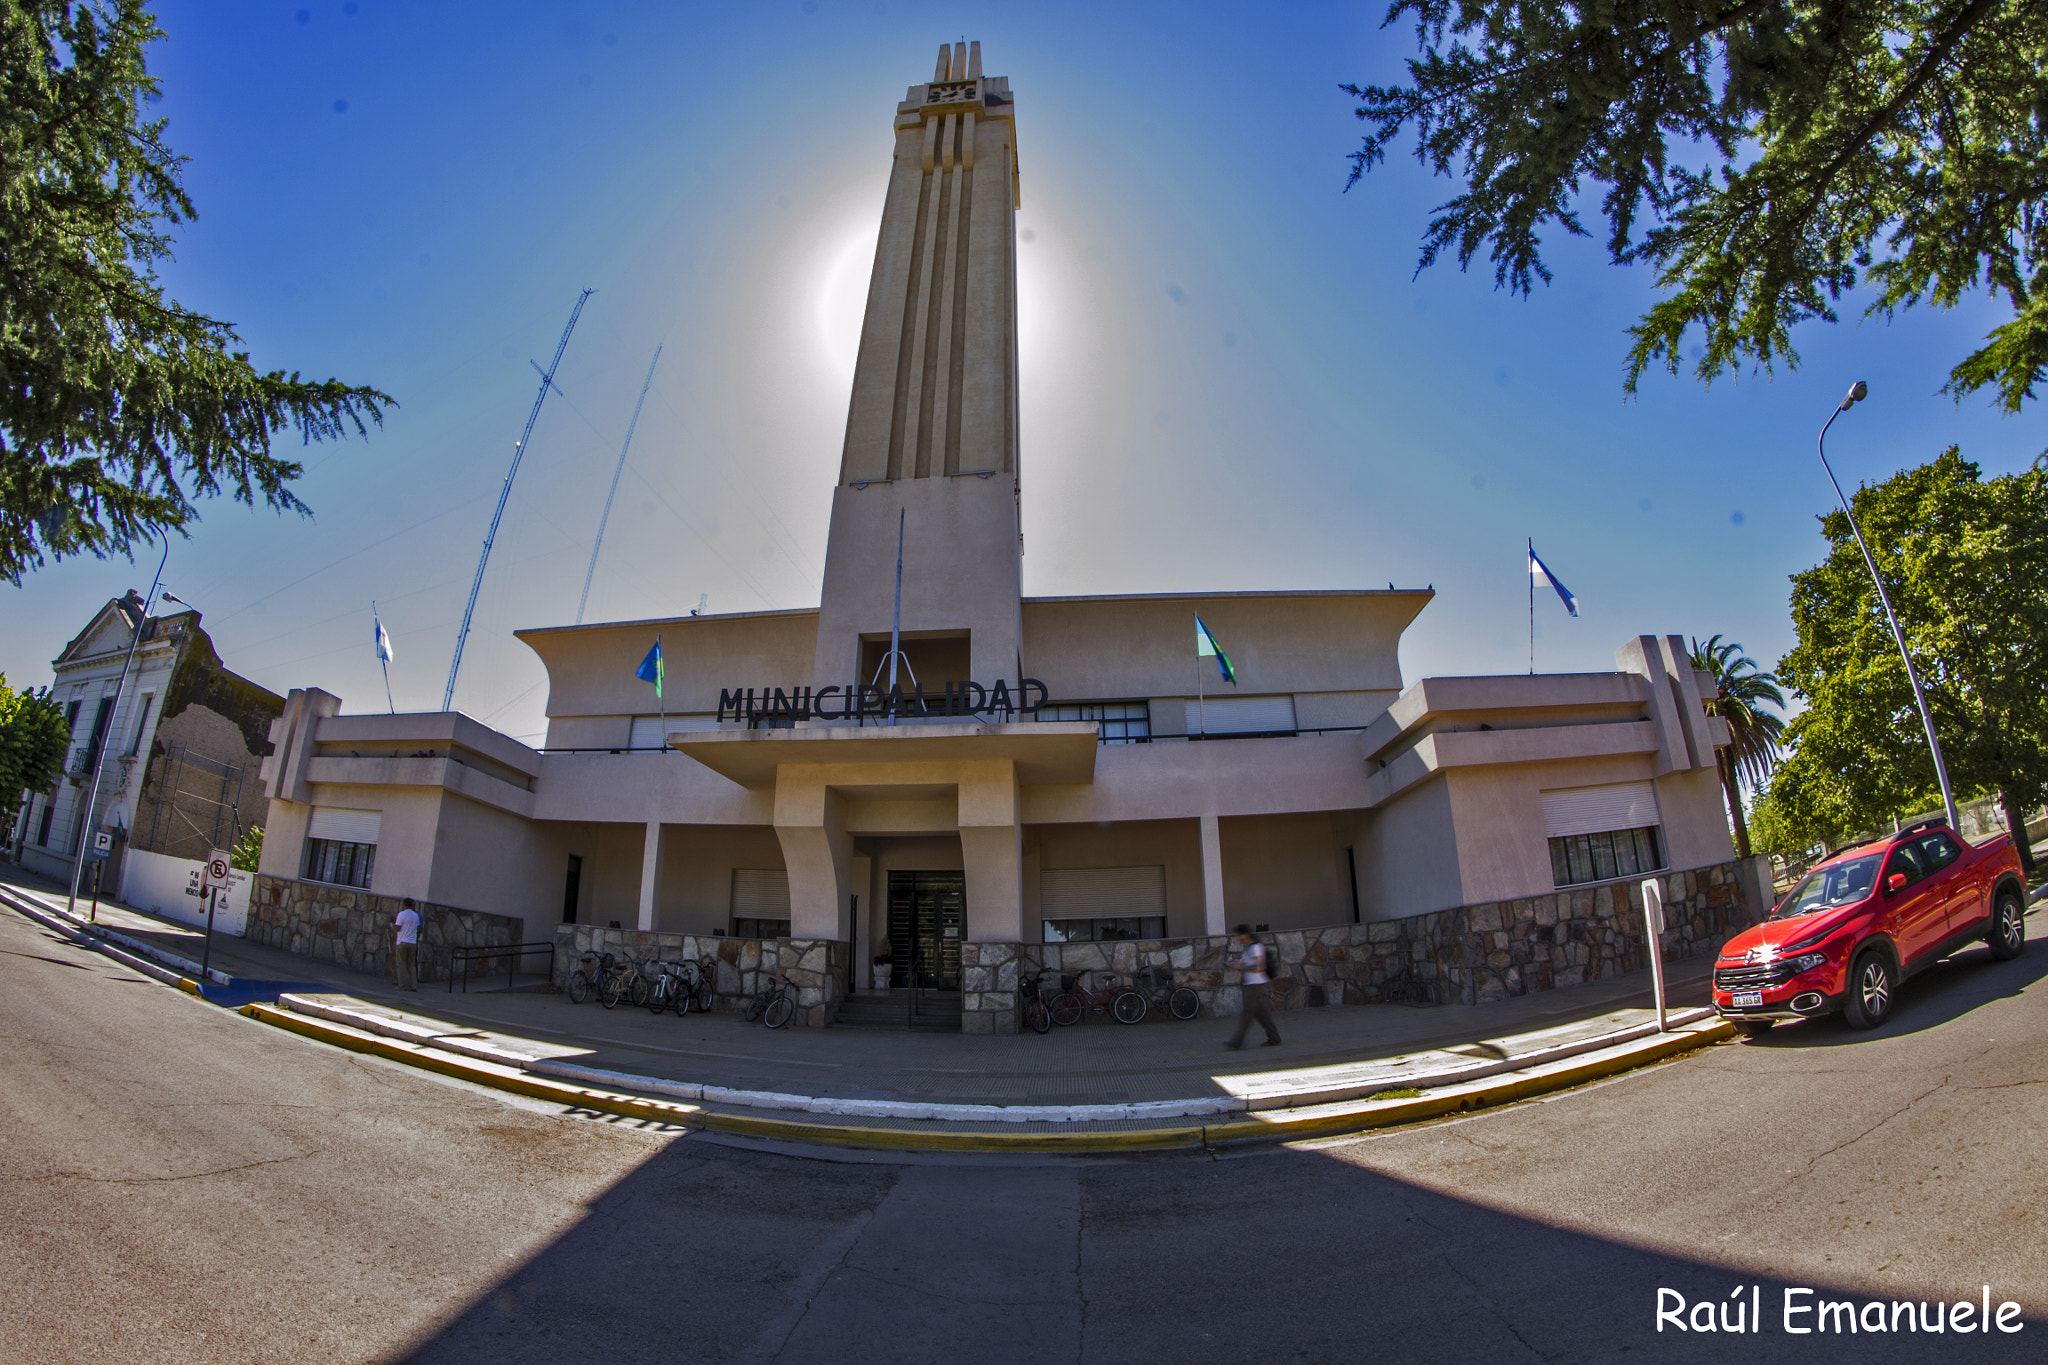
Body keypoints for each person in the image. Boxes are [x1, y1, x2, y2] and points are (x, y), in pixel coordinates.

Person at [1225, 925, 1281, 1049]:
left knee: (1248, 1013)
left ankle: (1236, 1041)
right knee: (1262, 1014)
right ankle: (1274, 1037)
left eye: (1238, 935)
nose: (1237, 938)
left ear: (1245, 934)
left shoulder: (1255, 948)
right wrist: (1238, 965)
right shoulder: (1248, 947)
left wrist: (1240, 967)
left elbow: (1258, 968)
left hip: (1256, 985)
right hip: (1253, 984)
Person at [393, 897, 421, 991]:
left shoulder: (401, 914)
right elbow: (418, 928)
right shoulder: (415, 916)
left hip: (402, 941)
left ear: (404, 905)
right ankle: (414, 985)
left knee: (401, 964)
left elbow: (397, 927)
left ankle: (402, 985)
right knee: (411, 965)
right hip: (412, 942)